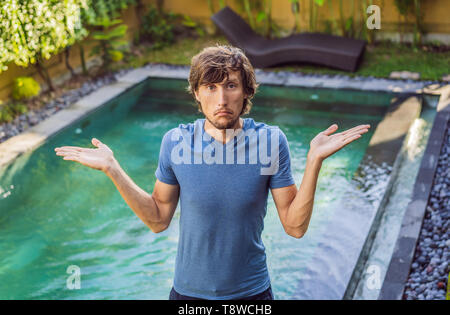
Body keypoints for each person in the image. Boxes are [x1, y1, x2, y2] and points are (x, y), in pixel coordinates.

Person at [54, 45, 370, 300]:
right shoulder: (175, 143)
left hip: (252, 297)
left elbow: (295, 227)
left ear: (246, 91)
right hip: (187, 296)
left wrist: (313, 161)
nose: (221, 99)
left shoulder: (270, 142)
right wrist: (113, 169)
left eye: (231, 85)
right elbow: (158, 218)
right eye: (211, 86)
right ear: (196, 92)